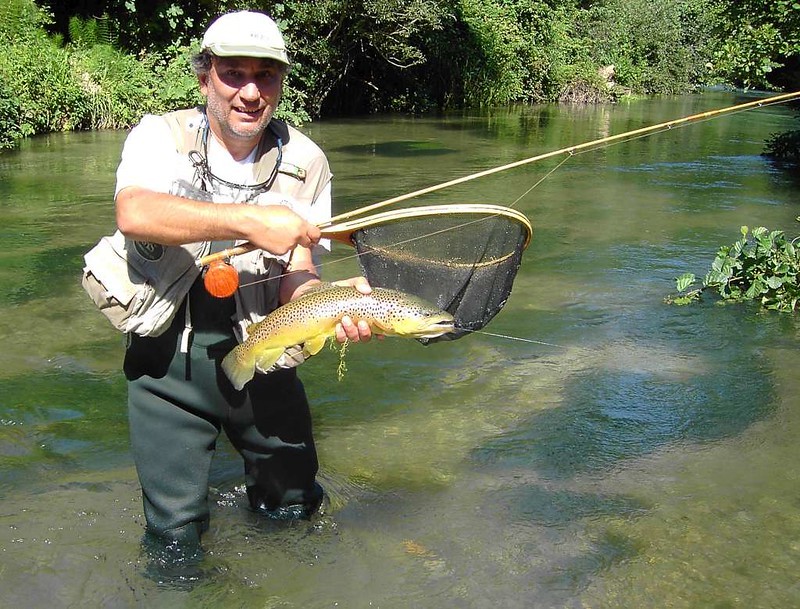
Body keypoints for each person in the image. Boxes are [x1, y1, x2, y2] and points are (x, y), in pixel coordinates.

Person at [112, 10, 374, 552]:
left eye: (266, 75)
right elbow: (134, 212)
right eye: (233, 73)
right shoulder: (158, 137)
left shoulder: (307, 160)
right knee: (174, 540)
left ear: (281, 82)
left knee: (297, 512)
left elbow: (299, 273)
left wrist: (327, 304)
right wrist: (248, 219)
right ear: (204, 75)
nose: (250, 92)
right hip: (168, 367)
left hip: (267, 356)